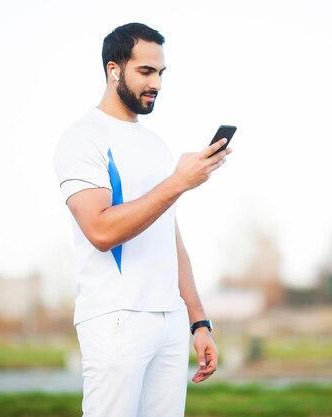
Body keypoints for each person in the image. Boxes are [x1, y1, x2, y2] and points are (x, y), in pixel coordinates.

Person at [53, 22, 232, 417]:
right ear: (114, 70)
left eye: (161, 73)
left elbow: (171, 239)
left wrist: (198, 322)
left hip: (168, 320)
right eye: (146, 72)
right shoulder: (83, 138)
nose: (158, 84)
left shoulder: (155, 145)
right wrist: (178, 183)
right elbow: (100, 230)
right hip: (117, 318)